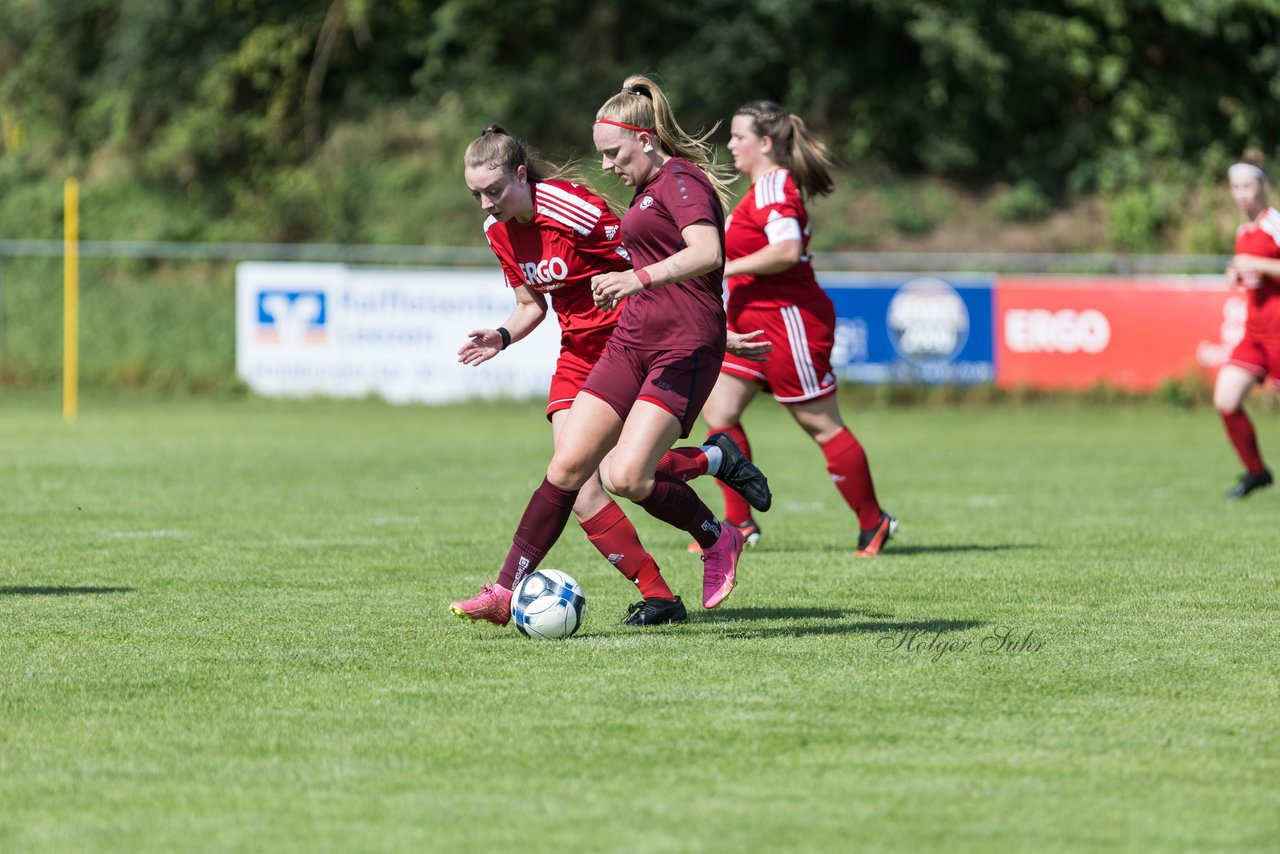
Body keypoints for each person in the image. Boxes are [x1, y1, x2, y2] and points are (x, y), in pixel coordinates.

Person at [450, 80, 770, 628]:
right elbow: (532, 303)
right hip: (593, 349)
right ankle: (511, 592)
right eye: (477, 194)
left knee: (622, 475)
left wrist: (709, 326)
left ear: (520, 175)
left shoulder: (579, 205)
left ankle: (713, 499)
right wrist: (501, 337)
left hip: (646, 334)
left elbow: (663, 259)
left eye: (494, 191)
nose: (487, 204)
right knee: (573, 475)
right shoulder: (498, 230)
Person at [694, 100, 896, 556]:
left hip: (789, 323)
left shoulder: (773, 188)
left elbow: (786, 251)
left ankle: (874, 523)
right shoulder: (759, 189)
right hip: (752, 325)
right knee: (720, 414)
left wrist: (726, 267)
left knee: (822, 426)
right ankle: (740, 524)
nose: (730, 144)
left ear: (764, 144)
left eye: (738, 136)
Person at [1217, 151, 1280, 499]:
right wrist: (1237, 272)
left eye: (1248, 186)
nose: (1242, 194)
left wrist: (1253, 262)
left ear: (1263, 186)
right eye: (1235, 187)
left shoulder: (1274, 223)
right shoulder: (1244, 231)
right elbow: (1254, 273)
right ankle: (1257, 472)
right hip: (1255, 334)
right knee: (1225, 399)